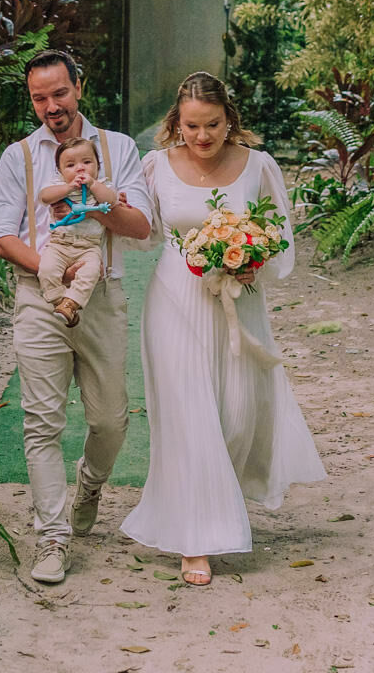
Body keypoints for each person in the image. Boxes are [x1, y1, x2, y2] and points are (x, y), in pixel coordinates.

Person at [121, 71, 326, 587]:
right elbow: (143, 238)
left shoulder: (258, 167)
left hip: (240, 303)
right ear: (176, 123)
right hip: (174, 301)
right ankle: (197, 540)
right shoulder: (156, 167)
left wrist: (255, 259)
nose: (202, 136)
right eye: (191, 126)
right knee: (190, 419)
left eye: (212, 124)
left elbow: (280, 235)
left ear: (228, 118)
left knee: (237, 415)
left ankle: (211, 503)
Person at [0, 49, 153, 584]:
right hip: (40, 296)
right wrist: (56, 277)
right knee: (41, 422)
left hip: (102, 295)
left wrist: (93, 198)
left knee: (110, 421)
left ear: (79, 87)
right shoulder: (19, 157)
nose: (51, 106)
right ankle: (52, 538)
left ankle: (91, 484)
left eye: (59, 93)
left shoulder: (118, 149)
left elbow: (140, 226)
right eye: (40, 98)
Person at [35, 136, 115, 327]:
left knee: (91, 272)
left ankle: (72, 302)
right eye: (70, 165)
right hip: (59, 243)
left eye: (87, 162)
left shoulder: (102, 185)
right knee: (46, 270)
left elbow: (111, 201)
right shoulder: (59, 185)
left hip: (89, 246)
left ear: (97, 165)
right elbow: (44, 197)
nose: (80, 168)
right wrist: (69, 187)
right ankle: (60, 302)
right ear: (60, 171)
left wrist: (93, 185)